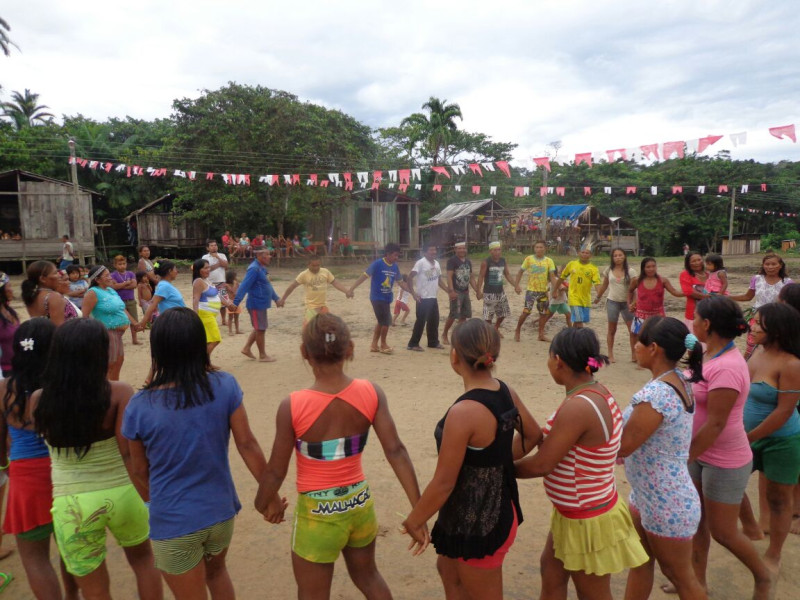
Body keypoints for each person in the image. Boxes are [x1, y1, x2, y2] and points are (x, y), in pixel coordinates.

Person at [255, 313, 424, 599]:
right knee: (369, 578)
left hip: (317, 516)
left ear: (304, 352)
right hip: (359, 506)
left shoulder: (293, 405)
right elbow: (396, 450)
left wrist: (263, 504)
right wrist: (418, 512)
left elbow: (275, 472)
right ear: (350, 349)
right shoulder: (371, 393)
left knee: (312, 593)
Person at [122, 308, 268, 599]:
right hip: (220, 512)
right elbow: (248, 444)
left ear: (157, 351)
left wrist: (159, 503)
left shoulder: (139, 406)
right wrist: (270, 494)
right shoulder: (225, 385)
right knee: (218, 574)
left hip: (174, 520)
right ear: (200, 345)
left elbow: (139, 470)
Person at [401, 319, 539, 599]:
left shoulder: (463, 412)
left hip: (481, 522)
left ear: (454, 356)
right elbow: (533, 435)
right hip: (485, 510)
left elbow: (444, 483)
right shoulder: (505, 391)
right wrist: (495, 461)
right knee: (449, 572)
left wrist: (415, 520)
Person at [31, 319, 162, 600]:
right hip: (123, 492)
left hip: (73, 503)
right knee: (144, 561)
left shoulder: (39, 399)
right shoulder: (119, 392)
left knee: (94, 589)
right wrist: (150, 495)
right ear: (100, 353)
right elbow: (127, 453)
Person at [515, 328, 648, 599]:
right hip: (577, 511)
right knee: (551, 572)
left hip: (587, 518)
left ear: (558, 361)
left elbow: (542, 465)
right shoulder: (594, 392)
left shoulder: (579, 406)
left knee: (592, 593)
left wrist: (497, 469)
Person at [687, 296, 772, 600]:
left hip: (723, 458)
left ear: (707, 324)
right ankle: (697, 582)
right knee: (697, 523)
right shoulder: (706, 352)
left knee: (723, 531)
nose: (692, 323)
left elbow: (716, 424)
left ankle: (763, 577)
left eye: (696, 318)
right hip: (699, 452)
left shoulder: (727, 367)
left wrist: (684, 457)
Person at [619, 317, 707, 600]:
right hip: (651, 494)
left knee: (681, 577)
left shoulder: (657, 394)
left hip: (665, 501)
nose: (635, 347)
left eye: (639, 341)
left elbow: (623, 446)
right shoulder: (675, 379)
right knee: (641, 562)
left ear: (654, 348)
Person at [0, 319, 79, 599]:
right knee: (71, 550)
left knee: (35, 558)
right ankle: (73, 596)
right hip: (65, 472)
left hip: (26, 481)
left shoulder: (4, 389)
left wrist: (5, 465)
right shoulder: (65, 387)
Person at [737, 303, 800, 573]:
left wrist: (748, 437)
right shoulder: (756, 352)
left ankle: (774, 553)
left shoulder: (791, 364)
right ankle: (752, 527)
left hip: (781, 442)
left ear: (776, 329)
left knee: (779, 499)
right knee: (727, 484)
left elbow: (784, 412)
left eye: (759, 323)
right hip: (747, 438)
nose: (752, 327)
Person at [82, 265, 142, 381]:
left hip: (118, 334)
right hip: (107, 333)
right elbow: (84, 316)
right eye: (107, 276)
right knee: (110, 364)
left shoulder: (110, 290)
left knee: (119, 361)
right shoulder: (92, 293)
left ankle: (114, 387)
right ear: (97, 280)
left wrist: (134, 323)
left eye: (109, 274)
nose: (110, 277)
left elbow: (122, 309)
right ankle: (105, 388)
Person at [349, 242, 408, 354]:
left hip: (387, 298)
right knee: (386, 321)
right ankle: (383, 345)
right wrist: (352, 288)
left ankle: (374, 345)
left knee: (381, 321)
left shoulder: (395, 267)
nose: (397, 258)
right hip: (377, 297)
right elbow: (364, 276)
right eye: (395, 255)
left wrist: (413, 292)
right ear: (388, 254)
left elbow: (401, 283)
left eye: (398, 255)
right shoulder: (377, 264)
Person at [730, 253, 793, 358]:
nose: (770, 267)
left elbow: (789, 303)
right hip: (757, 318)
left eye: (774, 264)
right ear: (763, 265)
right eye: (767, 264)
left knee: (773, 346)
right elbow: (748, 297)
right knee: (751, 346)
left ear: (780, 265)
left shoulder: (787, 282)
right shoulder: (757, 279)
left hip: (776, 319)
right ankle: (747, 365)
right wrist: (726, 297)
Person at [231, 248, 281, 362]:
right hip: (256, 304)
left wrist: (276, 298)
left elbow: (267, 285)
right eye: (267, 255)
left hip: (261, 304)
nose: (270, 257)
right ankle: (262, 356)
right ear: (259, 256)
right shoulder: (254, 269)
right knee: (260, 329)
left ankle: (246, 348)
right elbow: (244, 286)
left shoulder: (261, 268)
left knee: (259, 327)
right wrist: (235, 303)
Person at [277, 256, 351, 325]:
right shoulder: (303, 275)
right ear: (308, 265)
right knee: (310, 328)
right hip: (311, 307)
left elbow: (335, 283)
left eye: (318, 265)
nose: (316, 268)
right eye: (313, 266)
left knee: (325, 327)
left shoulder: (325, 272)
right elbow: (292, 286)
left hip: (323, 306)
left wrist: (346, 291)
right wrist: (283, 299)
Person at [593, 248, 637, 362]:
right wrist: (598, 297)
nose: (618, 257)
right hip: (612, 301)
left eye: (620, 255)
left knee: (632, 330)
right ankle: (610, 354)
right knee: (612, 329)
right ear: (612, 258)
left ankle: (634, 354)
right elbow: (604, 285)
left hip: (627, 303)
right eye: (615, 255)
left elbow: (635, 289)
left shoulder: (631, 271)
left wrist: (634, 302)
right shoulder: (609, 270)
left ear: (624, 256)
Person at [514, 240, 558, 343]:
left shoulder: (549, 261)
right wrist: (516, 285)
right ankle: (517, 330)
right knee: (526, 312)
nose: (539, 249)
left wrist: (555, 290)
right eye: (537, 247)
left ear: (545, 249)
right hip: (531, 291)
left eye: (541, 247)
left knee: (543, 314)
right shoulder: (529, 259)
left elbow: (552, 277)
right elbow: (520, 272)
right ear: (534, 249)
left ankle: (541, 335)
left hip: (543, 291)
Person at [407, 243, 448, 352]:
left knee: (434, 321)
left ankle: (433, 342)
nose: (433, 252)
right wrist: (413, 293)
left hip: (433, 297)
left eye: (434, 250)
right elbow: (410, 277)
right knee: (421, 321)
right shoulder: (421, 263)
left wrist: (448, 290)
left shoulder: (437, 263)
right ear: (425, 252)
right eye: (431, 250)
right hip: (423, 298)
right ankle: (413, 344)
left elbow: (439, 280)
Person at [628, 257, 683, 338]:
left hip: (658, 316)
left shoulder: (663, 281)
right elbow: (630, 291)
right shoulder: (637, 280)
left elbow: (674, 292)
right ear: (643, 268)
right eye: (648, 267)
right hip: (640, 316)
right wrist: (629, 304)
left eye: (653, 266)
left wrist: (688, 292)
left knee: (658, 338)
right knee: (635, 336)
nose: (651, 269)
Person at [21, 260, 80, 326]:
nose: (59, 276)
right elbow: (58, 327)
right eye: (55, 273)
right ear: (43, 279)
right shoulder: (54, 297)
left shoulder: (32, 295)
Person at [441, 242, 477, 345]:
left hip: (465, 291)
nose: (462, 250)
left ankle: (460, 336)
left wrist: (477, 290)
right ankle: (444, 334)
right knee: (453, 315)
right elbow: (449, 276)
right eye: (459, 248)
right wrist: (451, 291)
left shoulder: (468, 261)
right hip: (456, 292)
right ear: (455, 249)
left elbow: (471, 277)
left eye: (463, 248)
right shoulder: (452, 261)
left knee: (464, 315)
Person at [476, 241, 515, 336]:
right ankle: (490, 333)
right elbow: (481, 276)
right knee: (488, 316)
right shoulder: (486, 262)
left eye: (499, 250)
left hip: (500, 292)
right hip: (489, 293)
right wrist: (478, 291)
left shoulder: (503, 261)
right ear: (490, 251)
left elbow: (507, 274)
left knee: (504, 313)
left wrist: (516, 285)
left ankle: (495, 328)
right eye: (495, 250)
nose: (497, 252)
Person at [558, 247, 602, 328]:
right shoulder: (572, 264)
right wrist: (555, 289)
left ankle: (572, 335)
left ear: (591, 255)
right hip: (574, 298)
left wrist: (599, 296)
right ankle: (581, 336)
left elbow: (597, 284)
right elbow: (562, 277)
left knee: (577, 321)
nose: (584, 254)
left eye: (587, 253)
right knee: (579, 322)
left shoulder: (593, 268)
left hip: (585, 299)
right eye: (583, 252)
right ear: (578, 253)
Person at [192, 259, 228, 358]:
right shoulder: (198, 282)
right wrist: (195, 316)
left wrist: (228, 304)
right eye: (205, 268)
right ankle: (203, 362)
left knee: (209, 340)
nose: (208, 270)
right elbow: (195, 299)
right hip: (205, 315)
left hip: (210, 315)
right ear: (199, 270)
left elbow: (217, 296)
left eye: (209, 267)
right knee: (215, 339)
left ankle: (206, 363)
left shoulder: (207, 280)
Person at [139, 261, 185, 328]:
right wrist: (143, 322)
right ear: (169, 271)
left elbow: (154, 303)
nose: (177, 271)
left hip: (176, 321)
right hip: (172, 322)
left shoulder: (165, 285)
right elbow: (152, 304)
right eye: (175, 269)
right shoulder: (164, 286)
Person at [110, 255, 140, 345]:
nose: (122, 266)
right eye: (120, 264)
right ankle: (118, 339)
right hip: (119, 302)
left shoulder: (131, 273)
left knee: (134, 320)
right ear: (115, 265)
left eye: (124, 263)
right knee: (120, 321)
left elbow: (134, 285)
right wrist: (127, 283)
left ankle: (134, 339)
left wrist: (120, 285)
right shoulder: (112, 275)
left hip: (131, 300)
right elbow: (114, 287)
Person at [202, 239, 230, 327]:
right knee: (210, 302)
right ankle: (212, 319)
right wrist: (218, 264)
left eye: (215, 245)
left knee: (224, 302)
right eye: (211, 245)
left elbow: (226, 266)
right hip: (209, 284)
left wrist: (217, 257)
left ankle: (223, 320)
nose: (214, 247)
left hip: (221, 282)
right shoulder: (205, 257)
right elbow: (206, 269)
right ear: (207, 248)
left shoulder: (222, 255)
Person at [679, 251, 708, 334]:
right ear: (688, 263)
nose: (697, 263)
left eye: (699, 260)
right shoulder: (685, 274)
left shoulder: (709, 274)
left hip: (710, 314)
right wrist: (709, 297)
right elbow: (689, 292)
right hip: (693, 315)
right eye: (693, 261)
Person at [0, 273, 20, 378]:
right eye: (9, 286)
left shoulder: (8, 310)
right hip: (4, 371)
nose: (12, 290)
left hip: (17, 366)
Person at [223, 269, 241, 335]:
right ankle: (230, 331)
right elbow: (226, 293)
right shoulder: (226, 285)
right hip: (230, 302)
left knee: (236, 316)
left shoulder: (236, 283)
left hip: (236, 301)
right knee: (230, 317)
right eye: (235, 276)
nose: (236, 277)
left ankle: (237, 330)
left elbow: (239, 290)